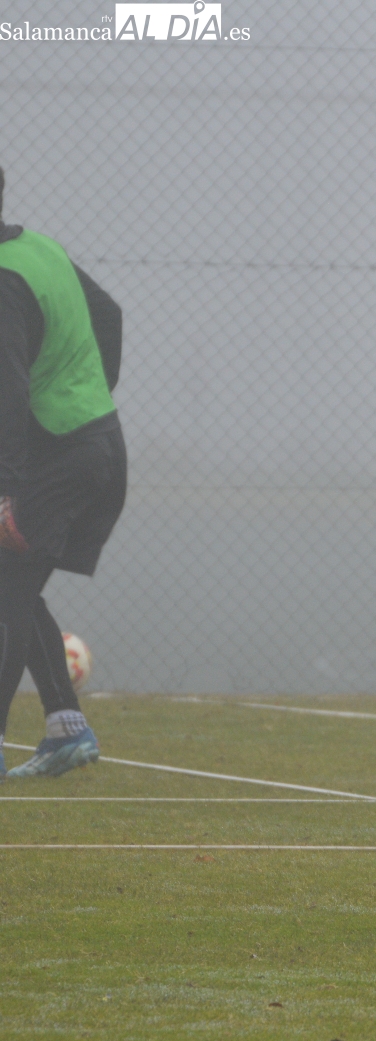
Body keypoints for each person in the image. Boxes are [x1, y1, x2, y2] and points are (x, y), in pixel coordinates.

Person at [0, 165, 126, 778]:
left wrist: (5, 489)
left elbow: (7, 391)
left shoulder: (3, 281)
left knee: (5, 589)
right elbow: (110, 314)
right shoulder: (37, 249)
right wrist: (91, 397)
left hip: (62, 455)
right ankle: (65, 727)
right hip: (94, 443)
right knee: (14, 586)